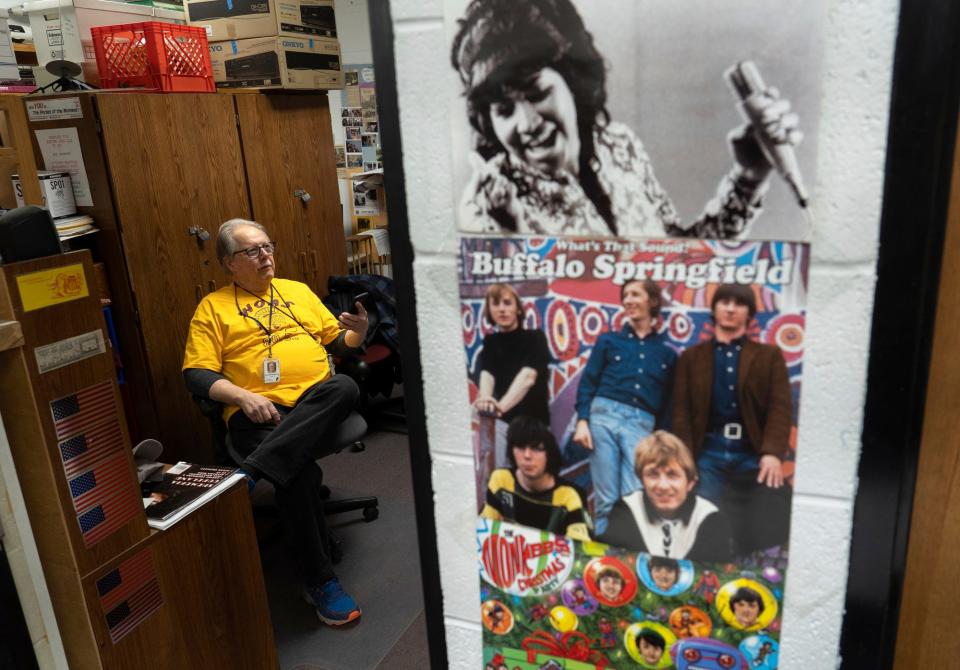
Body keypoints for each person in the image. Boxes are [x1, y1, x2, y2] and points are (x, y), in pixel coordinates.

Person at [450, 0, 802, 238]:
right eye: (504, 110)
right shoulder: (488, 205)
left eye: (537, 92)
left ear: (572, 83)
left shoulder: (620, 146)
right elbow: (508, 327)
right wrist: (512, 237)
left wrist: (749, 177)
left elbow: (678, 265)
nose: (526, 124)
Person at [182, 219, 366, 626]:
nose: (267, 256)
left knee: (345, 386)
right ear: (230, 263)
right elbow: (196, 373)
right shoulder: (213, 308)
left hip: (314, 403)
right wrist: (243, 396)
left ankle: (252, 471)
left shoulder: (296, 292)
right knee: (295, 472)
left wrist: (359, 332)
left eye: (268, 246)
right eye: (253, 251)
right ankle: (321, 582)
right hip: (257, 411)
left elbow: (339, 343)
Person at [671, 283, 792, 553]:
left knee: (763, 521)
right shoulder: (691, 358)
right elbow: (680, 412)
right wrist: (685, 459)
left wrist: (772, 453)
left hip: (752, 455)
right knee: (701, 523)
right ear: (714, 309)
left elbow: (780, 408)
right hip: (707, 454)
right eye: (724, 302)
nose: (730, 308)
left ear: (749, 313)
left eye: (739, 303)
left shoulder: (769, 356)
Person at [573, 279, 676, 534]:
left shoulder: (667, 354)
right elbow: (588, 383)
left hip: (641, 427)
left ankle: (628, 558)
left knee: (635, 499)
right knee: (606, 500)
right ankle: (603, 561)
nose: (628, 300)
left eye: (635, 294)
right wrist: (583, 420)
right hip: (603, 417)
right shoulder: (608, 341)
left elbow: (668, 404)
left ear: (651, 301)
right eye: (625, 295)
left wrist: (660, 441)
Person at [600, 430, 733, 561]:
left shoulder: (711, 519)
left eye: (672, 475)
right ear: (641, 480)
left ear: (691, 483)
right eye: (653, 474)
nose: (663, 485)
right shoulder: (626, 510)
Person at [474, 283, 550, 467]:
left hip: (531, 423)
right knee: (499, 477)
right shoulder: (491, 341)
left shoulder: (535, 338)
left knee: (528, 480)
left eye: (507, 303)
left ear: (517, 308)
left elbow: (527, 378)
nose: (502, 309)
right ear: (489, 310)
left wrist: (498, 408)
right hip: (502, 423)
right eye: (496, 304)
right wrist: (485, 398)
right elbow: (487, 374)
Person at [481, 415, 591, 540]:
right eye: (521, 447)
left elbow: (580, 549)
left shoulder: (568, 496)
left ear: (549, 454)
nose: (527, 455)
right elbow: (484, 532)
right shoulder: (501, 480)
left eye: (536, 448)